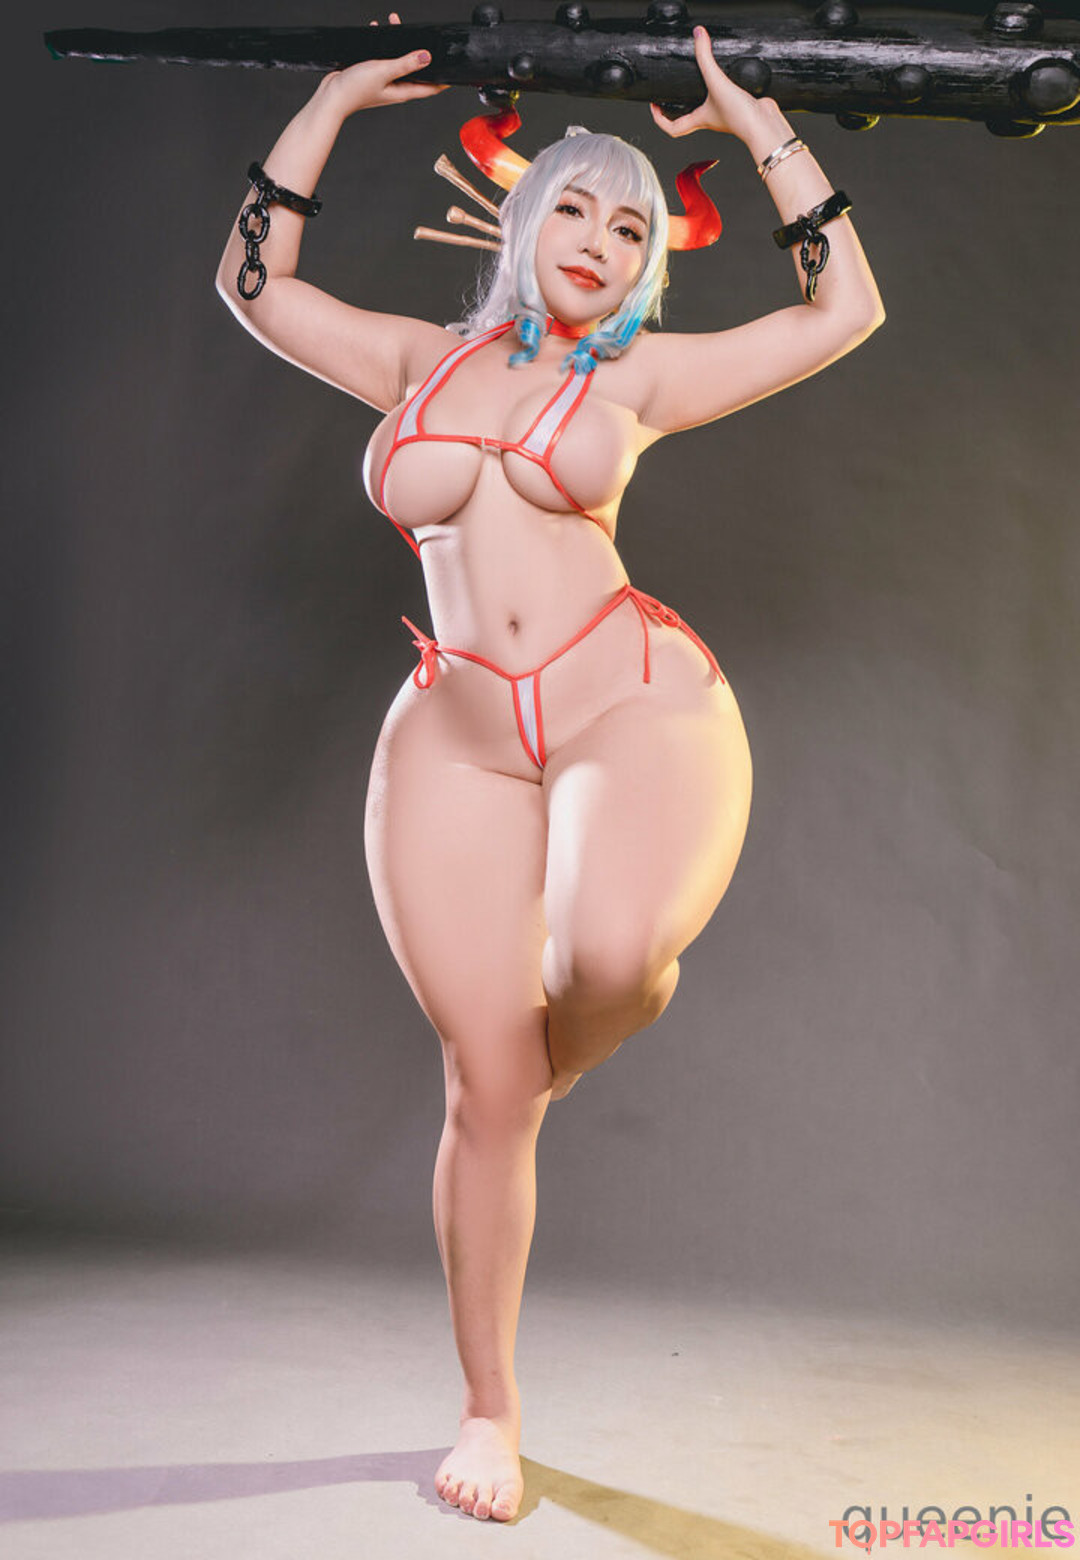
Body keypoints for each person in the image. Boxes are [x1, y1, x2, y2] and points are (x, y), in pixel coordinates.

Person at [215, 12, 884, 1525]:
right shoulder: (413, 358)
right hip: (453, 732)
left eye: (630, 225)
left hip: (626, 705)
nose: (596, 238)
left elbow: (844, 309)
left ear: (649, 263)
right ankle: (490, 1409)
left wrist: (760, 127)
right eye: (573, 206)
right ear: (523, 220)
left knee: (614, 964)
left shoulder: (641, 377)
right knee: (483, 1087)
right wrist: (330, 102)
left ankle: (556, 1049)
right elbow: (254, 283)